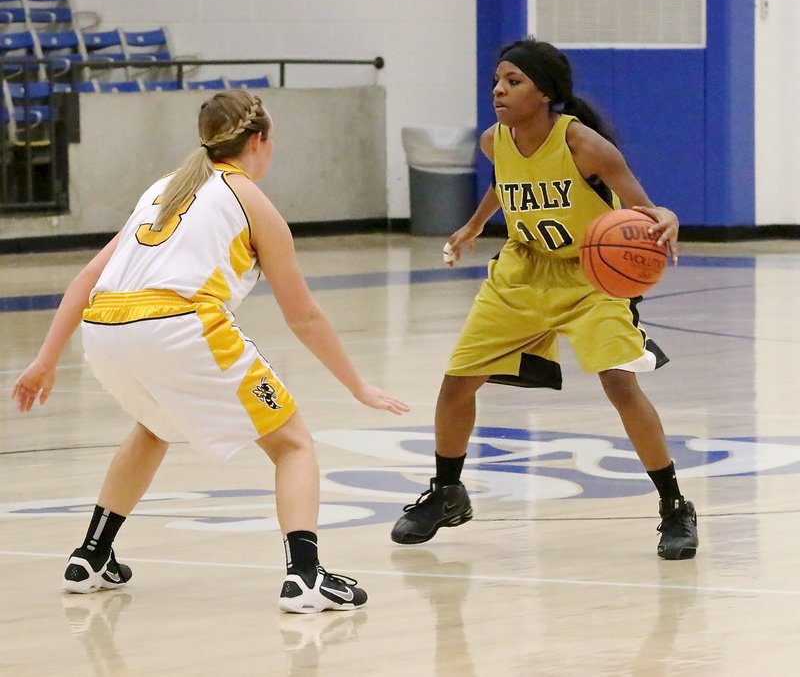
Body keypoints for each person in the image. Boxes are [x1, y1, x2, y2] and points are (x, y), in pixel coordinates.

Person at [11, 89, 410, 612]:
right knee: (292, 443)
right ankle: (307, 577)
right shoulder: (253, 202)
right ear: (260, 140)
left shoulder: (162, 190)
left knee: (154, 428)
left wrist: (46, 358)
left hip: (105, 329)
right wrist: (358, 385)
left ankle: (90, 556)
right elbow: (304, 316)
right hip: (176, 325)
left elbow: (88, 277)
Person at [390, 37, 698, 560]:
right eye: (496, 81)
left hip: (588, 277)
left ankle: (674, 506)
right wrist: (472, 225)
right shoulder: (495, 140)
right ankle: (447, 493)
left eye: (513, 82)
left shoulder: (585, 146)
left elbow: (644, 208)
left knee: (620, 386)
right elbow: (504, 183)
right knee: (456, 384)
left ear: (546, 93)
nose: (499, 91)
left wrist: (665, 216)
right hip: (522, 269)